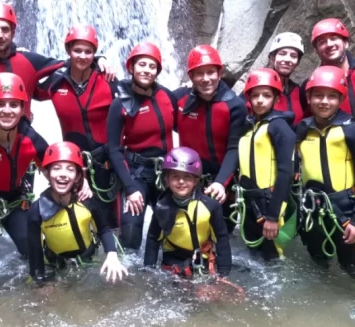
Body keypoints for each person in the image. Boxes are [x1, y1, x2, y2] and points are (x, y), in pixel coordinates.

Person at [0, 73, 90, 269]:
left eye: (14, 105)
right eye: (0, 104)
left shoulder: (31, 139)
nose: (7, 111)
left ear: (22, 109)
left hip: (13, 201)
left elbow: (55, 168)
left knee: (36, 252)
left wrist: (81, 181)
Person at [296, 66, 355, 300]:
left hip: (344, 208)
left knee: (352, 264)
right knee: (317, 257)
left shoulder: (353, 131)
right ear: (309, 98)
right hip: (313, 208)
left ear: (341, 99)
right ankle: (323, 299)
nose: (324, 101)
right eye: (318, 95)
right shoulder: (303, 128)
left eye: (331, 96)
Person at [37, 24, 121, 228]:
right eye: (77, 50)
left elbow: (135, 99)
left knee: (111, 223)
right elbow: (30, 87)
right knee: (76, 221)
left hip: (105, 162)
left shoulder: (107, 80)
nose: (83, 56)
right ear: (68, 50)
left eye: (88, 52)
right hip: (72, 163)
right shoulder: (56, 82)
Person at [302, 18, 355, 223]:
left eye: (334, 38)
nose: (329, 44)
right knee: (326, 224)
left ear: (346, 42)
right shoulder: (310, 86)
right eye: (322, 41)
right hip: (328, 163)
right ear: (317, 50)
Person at [107, 42, 177, 251]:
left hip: (166, 172)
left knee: (173, 228)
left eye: (152, 66)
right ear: (131, 67)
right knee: (130, 231)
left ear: (158, 71)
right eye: (142, 64)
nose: (147, 70)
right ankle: (128, 271)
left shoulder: (167, 96)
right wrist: (129, 188)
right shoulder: (120, 103)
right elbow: (114, 149)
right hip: (137, 172)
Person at [27, 141, 127, 283]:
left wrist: (112, 255)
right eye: (56, 168)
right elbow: (34, 250)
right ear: (47, 173)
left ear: (78, 176)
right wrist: (39, 282)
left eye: (70, 169)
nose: (63, 174)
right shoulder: (36, 210)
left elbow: (103, 230)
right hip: (56, 266)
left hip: (88, 260)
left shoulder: (87, 201)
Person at [173, 45, 247, 227]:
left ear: (219, 73)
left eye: (210, 72)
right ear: (191, 77)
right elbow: (148, 93)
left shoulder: (235, 105)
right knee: (187, 232)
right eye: (199, 73)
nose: (205, 79)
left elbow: (234, 148)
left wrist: (221, 182)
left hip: (221, 180)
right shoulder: (179, 99)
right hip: (187, 179)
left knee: (220, 233)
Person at [143, 147, 232, 278]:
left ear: (196, 181)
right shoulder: (161, 207)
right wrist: (148, 271)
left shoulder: (210, 206)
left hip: (203, 257)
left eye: (187, 177)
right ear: (167, 180)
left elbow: (221, 238)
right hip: (173, 258)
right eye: (175, 176)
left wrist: (224, 273)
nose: (181, 181)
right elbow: (153, 239)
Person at [236, 68, 297, 260]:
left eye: (266, 95)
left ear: (276, 98)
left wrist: (272, 217)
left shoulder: (279, 127)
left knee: (273, 257)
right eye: (255, 95)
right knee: (253, 254)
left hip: (270, 202)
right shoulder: (250, 126)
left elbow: (286, 173)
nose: (260, 100)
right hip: (249, 200)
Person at [265, 32, 305, 124]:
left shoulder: (296, 91)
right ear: (272, 57)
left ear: (298, 62)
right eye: (282, 54)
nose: (287, 59)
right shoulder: (258, 86)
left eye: (293, 56)